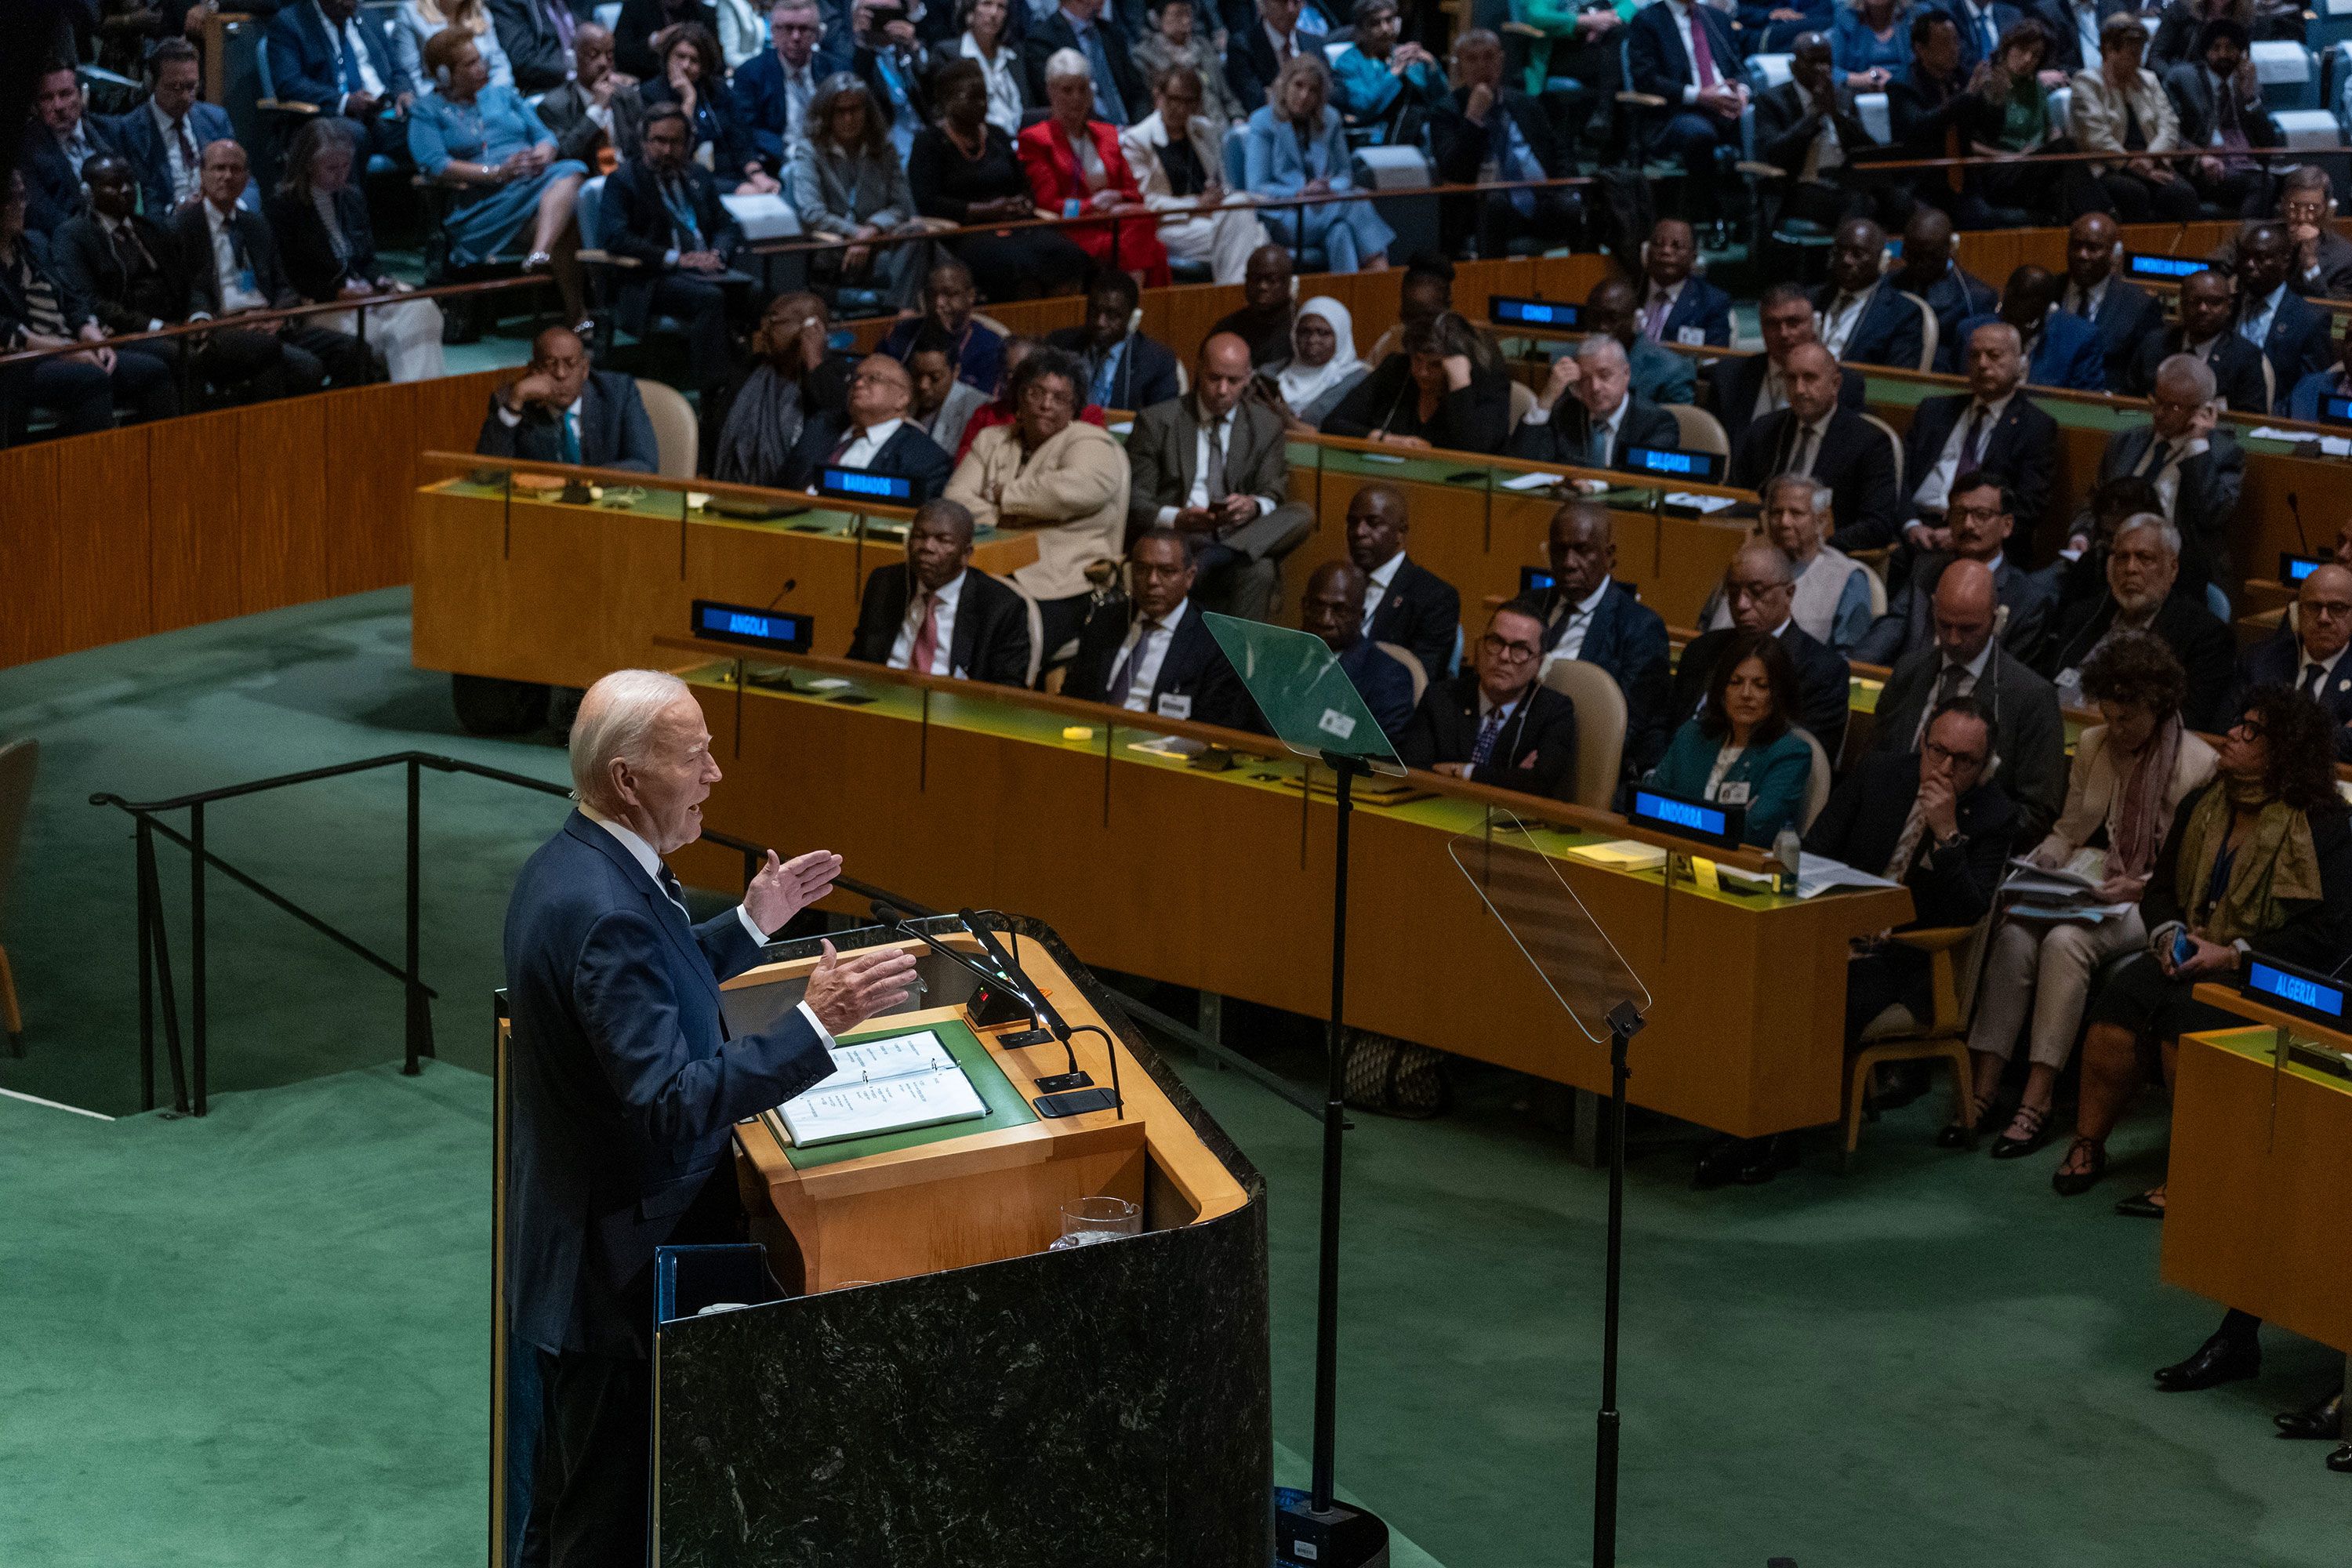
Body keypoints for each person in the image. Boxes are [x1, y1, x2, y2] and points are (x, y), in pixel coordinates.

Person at [503, 668, 916, 1568]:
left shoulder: (580, 861)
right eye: (695, 757)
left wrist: (754, 921)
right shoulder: (610, 905)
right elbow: (668, 1100)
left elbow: (649, 985)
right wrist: (817, 1022)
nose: (715, 775)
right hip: (615, 1273)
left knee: (560, 1511)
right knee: (599, 1530)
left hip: (577, 1243)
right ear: (627, 778)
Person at [2052, 683, 2352, 1203]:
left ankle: (2193, 1171)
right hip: (2188, 952)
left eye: (2252, 730)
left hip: (2263, 972)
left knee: (2187, 1024)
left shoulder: (2324, 826)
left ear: (2286, 748)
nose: (2233, 733)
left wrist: (2234, 953)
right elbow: (2161, 889)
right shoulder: (2206, 802)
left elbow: (2325, 937)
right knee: (2115, 1012)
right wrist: (2169, 933)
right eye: (2239, 721)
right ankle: (2087, 1144)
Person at [1964, 632, 2218, 1155]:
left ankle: (2037, 1096)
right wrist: (2050, 858)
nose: (2116, 726)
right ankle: (1984, 1085)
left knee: (2065, 942)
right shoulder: (2094, 744)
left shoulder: (2196, 764)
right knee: (2014, 931)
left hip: (2153, 898)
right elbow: (2070, 825)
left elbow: (2193, 873)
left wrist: (2141, 885)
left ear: (2159, 706)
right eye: (2110, 713)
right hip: (2098, 881)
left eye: (2129, 717)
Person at [1803, 698, 2017, 1149]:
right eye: (1937, 750)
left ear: (1984, 766)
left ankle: (1791, 1127)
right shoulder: (1880, 773)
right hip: (1835, 931)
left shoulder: (1994, 814)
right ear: (1923, 741)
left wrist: (1947, 834)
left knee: (1824, 992)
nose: (1945, 767)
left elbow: (1969, 912)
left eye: (1964, 761)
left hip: (1908, 959)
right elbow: (1816, 849)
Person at [946, 344, 1129, 658]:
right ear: (1019, 396)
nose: (1046, 405)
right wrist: (1031, 512)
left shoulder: (1091, 442)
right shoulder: (992, 438)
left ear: (1075, 408)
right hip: (989, 567)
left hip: (1064, 579)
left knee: (1005, 637)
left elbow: (1079, 488)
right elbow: (955, 502)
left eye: (1060, 398)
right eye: (1036, 393)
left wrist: (1004, 496)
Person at [1866, 557, 2069, 838]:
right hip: (1884, 835)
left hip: (1968, 847)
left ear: (1996, 619)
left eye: (1968, 628)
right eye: (1944, 624)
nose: (1954, 639)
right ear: (1934, 608)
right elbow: (1872, 765)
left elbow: (2036, 814)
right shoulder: (1909, 672)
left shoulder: (2032, 698)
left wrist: (1955, 825)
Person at [1123, 331, 1312, 619]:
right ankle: (1221, 558)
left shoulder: (1265, 426)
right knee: (1259, 569)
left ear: (1248, 377)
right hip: (1179, 536)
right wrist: (1178, 517)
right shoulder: (1157, 421)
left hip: (1238, 533)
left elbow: (1273, 491)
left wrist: (1253, 505)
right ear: (1198, 369)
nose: (1222, 390)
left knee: (1301, 514)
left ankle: (1219, 557)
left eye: (1233, 381)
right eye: (1214, 378)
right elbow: (1135, 501)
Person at [408, 29, 588, 321]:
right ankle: (577, 315)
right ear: (444, 75)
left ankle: (541, 255)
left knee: (573, 170)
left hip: (532, 186)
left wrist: (543, 154)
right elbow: (434, 163)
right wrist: (496, 173)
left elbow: (545, 136)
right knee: (567, 220)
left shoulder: (502, 95)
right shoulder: (426, 111)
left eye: (480, 60)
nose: (482, 68)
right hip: (482, 205)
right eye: (470, 64)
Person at [174, 141, 375, 394]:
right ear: (202, 175)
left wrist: (277, 316)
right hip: (221, 328)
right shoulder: (183, 227)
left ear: (247, 178)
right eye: (218, 169)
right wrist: (217, 322)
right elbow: (187, 289)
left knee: (354, 350)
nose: (227, 176)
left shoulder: (256, 225)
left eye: (235, 170)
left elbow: (283, 285)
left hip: (267, 321)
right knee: (305, 367)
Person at [267, 118, 447, 383]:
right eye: (331, 168)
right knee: (388, 333)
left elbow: (367, 259)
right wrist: (337, 293)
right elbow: (290, 275)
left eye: (346, 166)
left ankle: (419, 402)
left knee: (423, 310)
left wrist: (381, 280)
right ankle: (413, 402)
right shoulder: (284, 206)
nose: (341, 175)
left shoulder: (352, 197)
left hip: (364, 295)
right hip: (322, 304)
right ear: (308, 165)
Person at [0, 169, 176, 438]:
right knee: (90, 378)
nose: (24, 206)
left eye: (24, 197)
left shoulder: (33, 243)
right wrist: (66, 350)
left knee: (154, 369)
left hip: (71, 344)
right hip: (24, 361)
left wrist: (91, 335)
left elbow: (71, 298)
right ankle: (97, 474)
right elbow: (8, 330)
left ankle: (164, 464)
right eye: (17, 198)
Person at [909, 59, 1093, 303]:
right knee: (1017, 267)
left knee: (1069, 255)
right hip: (965, 232)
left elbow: (1023, 184)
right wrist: (984, 211)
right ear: (947, 101)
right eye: (972, 98)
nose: (982, 105)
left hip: (1014, 225)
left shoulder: (996, 135)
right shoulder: (929, 142)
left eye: (984, 97)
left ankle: (1063, 326)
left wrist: (1024, 203)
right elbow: (928, 202)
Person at [604, 105, 755, 397]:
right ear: (644, 142)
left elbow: (727, 225)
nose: (666, 150)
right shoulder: (624, 181)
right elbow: (615, 238)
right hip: (652, 277)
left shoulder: (698, 176)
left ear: (687, 144)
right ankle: (711, 394)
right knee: (709, 299)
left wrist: (718, 255)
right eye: (658, 141)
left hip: (705, 270)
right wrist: (676, 259)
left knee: (756, 293)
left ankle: (749, 387)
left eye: (675, 142)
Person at [2042, 514, 2234, 724]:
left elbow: (2186, 721)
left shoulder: (2205, 636)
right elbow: (2046, 684)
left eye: (2144, 558)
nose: (2130, 568)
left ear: (2172, 569)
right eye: (2122, 557)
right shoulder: (2083, 616)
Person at [1530, 500, 1672, 780]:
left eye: (1582, 550)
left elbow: (1624, 726)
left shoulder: (1639, 628)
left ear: (1608, 555)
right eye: (1560, 550)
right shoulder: (1528, 607)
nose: (1569, 563)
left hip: (1583, 765)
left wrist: (1549, 753)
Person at [1857, 470, 2058, 666]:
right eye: (1959, 513)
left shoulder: (2029, 601)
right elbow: (1883, 637)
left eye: (1981, 515)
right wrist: (1852, 669)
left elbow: (2008, 682)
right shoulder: (1926, 570)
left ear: (2007, 526)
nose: (1968, 524)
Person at [1675, 541, 1855, 761]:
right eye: (1733, 591)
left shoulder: (1823, 671)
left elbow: (1806, 758)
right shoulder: (1701, 650)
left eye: (1756, 592)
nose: (1741, 604)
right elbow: (1665, 724)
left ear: (1789, 593)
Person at [1063, 528, 1261, 726]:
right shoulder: (1105, 620)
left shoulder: (1218, 639)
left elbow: (1215, 723)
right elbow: (1072, 697)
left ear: (1190, 576)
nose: (1152, 581)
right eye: (1142, 570)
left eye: (1167, 572)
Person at [2088, 353, 2245, 593]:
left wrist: (2197, 446)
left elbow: (2211, 515)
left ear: (2203, 411)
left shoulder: (2224, 454)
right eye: (2157, 400)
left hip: (2179, 573)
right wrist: (2079, 535)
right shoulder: (2126, 442)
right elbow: (2095, 501)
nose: (2159, 413)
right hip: (2113, 558)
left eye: (2173, 407)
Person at [1896, 321, 2058, 551]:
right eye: (1974, 356)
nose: (1982, 364)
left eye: (1994, 355)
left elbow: (2029, 506)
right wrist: (1910, 524)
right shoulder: (1934, 411)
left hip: (1981, 540)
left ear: (2021, 364)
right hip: (1916, 529)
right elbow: (1899, 477)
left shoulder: (2035, 426)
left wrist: (1962, 532)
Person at [1648, 629, 1818, 845]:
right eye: (1735, 682)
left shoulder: (1790, 753)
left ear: (1778, 694)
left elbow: (1754, 831)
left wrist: (1682, 813)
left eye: (1760, 685)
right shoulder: (1692, 735)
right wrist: (1725, 819)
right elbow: (1651, 804)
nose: (1746, 694)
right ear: (1721, 689)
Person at [1022, 50, 1173, 288]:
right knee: (1152, 248)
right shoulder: (1037, 140)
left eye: (1083, 89)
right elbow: (1048, 204)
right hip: (1076, 229)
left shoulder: (1108, 134)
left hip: (1117, 224)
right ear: (1050, 92)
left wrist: (1115, 202)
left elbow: (1133, 192)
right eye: (1067, 90)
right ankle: (1136, 307)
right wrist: (1091, 206)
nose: (1077, 98)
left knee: (1148, 230)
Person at [1399, 601, 1579, 797]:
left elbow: (1538, 782)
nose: (1503, 656)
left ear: (1540, 663)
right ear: (1480, 646)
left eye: (1520, 649)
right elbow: (1414, 769)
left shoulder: (1554, 711)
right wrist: (1510, 777)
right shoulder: (1442, 697)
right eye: (1496, 641)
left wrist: (1462, 771)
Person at [1726, 342, 1900, 547]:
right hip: (1765, 550)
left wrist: (1815, 544)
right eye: (1791, 379)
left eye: (1810, 378)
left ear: (1835, 384)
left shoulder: (1869, 442)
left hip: (1830, 556)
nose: (1799, 389)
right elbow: (1736, 498)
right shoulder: (1765, 430)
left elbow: (1877, 526)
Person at [847, 497, 1033, 682]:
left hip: (956, 706)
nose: (927, 547)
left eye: (942, 540)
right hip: (882, 696)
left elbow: (1008, 689)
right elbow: (860, 657)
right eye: (919, 536)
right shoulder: (885, 582)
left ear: (966, 554)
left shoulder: (1001, 606)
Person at [1428, 28, 1577, 258]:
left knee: (1572, 206)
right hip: (1483, 207)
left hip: (1539, 198)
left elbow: (1559, 152)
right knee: (1494, 203)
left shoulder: (1526, 103)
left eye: (1489, 57)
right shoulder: (1446, 111)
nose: (1481, 66)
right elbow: (1455, 172)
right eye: (1472, 59)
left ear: (1501, 62)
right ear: (1459, 68)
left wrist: (1567, 190)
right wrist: (1474, 119)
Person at [790, 72, 930, 311]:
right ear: (826, 114)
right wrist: (857, 235)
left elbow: (902, 205)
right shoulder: (809, 152)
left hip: (880, 247)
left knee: (917, 235)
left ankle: (898, 317)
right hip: (835, 251)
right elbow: (812, 213)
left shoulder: (883, 148)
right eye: (840, 112)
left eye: (855, 109)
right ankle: (896, 315)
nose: (849, 119)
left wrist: (872, 230)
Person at [1245, 54, 1394, 274]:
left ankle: (1344, 298)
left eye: (1313, 90)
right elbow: (1257, 187)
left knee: (1340, 232)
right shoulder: (1263, 122)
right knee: (1355, 201)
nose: (1304, 96)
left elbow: (1345, 173)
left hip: (1327, 207)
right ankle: (1378, 265)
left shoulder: (1330, 119)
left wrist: (1328, 188)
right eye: (1298, 86)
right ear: (1285, 85)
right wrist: (1301, 192)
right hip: (1285, 215)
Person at [1120, 66, 1266, 286]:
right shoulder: (1137, 140)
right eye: (1174, 100)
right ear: (1158, 96)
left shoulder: (1203, 130)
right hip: (1170, 225)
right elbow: (1145, 202)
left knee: (1240, 205)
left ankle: (1231, 296)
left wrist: (1219, 194)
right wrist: (1196, 204)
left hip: (1211, 218)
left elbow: (1221, 181)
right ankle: (1238, 302)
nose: (1181, 109)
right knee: (1256, 240)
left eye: (1189, 102)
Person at [49, 155, 192, 369]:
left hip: (178, 323)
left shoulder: (151, 228)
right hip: (128, 333)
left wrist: (199, 316)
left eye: (129, 182)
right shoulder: (73, 236)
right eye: (114, 185)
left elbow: (187, 281)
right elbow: (89, 300)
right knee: (184, 355)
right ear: (88, 193)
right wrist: (155, 326)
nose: (126, 190)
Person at [1705, 475, 1874, 653]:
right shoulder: (1744, 564)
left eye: (1796, 513)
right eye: (1776, 513)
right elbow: (1705, 627)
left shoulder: (1848, 578)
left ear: (1821, 521)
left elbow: (1850, 659)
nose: (1784, 523)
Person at [707, 290, 851, 482]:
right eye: (765, 321)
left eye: (775, 322)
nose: (765, 330)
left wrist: (814, 362)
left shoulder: (836, 373)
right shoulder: (750, 370)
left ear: (810, 327)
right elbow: (715, 429)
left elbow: (836, 417)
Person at [2066, 12, 2198, 223]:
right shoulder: (2086, 82)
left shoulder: (2148, 79)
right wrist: (2133, 165)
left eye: (2141, 53)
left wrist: (2150, 159)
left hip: (2152, 162)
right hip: (2112, 166)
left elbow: (2169, 124)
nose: (2139, 61)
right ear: (2110, 50)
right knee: (2134, 194)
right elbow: (2096, 139)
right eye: (2133, 54)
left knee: (2183, 195)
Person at [1624, 0, 1748, 224]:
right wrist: (1699, 96)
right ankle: (1712, 217)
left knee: (1763, 122)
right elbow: (1646, 79)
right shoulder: (1648, 20)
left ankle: (1751, 216)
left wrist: (1741, 91)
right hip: (1676, 111)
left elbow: (1739, 68)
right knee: (1700, 134)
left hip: (1725, 104)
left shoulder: (1716, 18)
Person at [1754, 31, 1886, 235]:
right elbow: (1773, 154)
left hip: (1843, 180)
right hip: (1797, 186)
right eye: (1813, 61)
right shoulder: (1771, 101)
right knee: (1858, 204)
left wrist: (1836, 115)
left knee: (1897, 198)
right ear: (1793, 66)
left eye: (1826, 61)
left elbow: (1868, 150)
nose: (1822, 68)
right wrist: (1815, 114)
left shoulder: (1842, 96)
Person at [477, 325, 659, 470]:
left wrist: (580, 483)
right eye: (549, 364)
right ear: (534, 369)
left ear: (585, 369)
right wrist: (515, 404)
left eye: (570, 364)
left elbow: (644, 465)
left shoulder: (618, 393)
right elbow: (486, 475)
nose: (561, 374)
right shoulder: (511, 400)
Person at [1705, 281, 1865, 448]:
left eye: (1793, 322)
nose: (1783, 333)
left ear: (1814, 326)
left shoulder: (1846, 383)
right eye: (1772, 324)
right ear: (1761, 328)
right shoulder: (1729, 376)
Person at [1323, 311, 1512, 451]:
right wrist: (1386, 440)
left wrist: (1460, 384)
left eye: (1435, 365)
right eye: (1417, 360)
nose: (1422, 372)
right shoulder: (1397, 368)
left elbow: (1476, 451)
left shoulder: (1490, 386)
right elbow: (1333, 424)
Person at [265, 0, 419, 165]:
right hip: (331, 116)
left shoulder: (366, 16)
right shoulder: (291, 23)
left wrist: (404, 92)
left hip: (383, 111)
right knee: (353, 135)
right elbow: (288, 84)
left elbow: (397, 69)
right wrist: (345, 102)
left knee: (427, 124)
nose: (349, 5)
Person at [779, 353, 955, 495]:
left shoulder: (925, 457)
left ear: (902, 398)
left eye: (874, 379)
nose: (859, 383)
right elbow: (782, 485)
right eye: (856, 377)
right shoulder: (822, 426)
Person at [111, 40, 247, 221]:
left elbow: (243, 176)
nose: (185, 97)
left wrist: (241, 207)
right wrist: (178, 212)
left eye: (191, 87)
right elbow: (142, 202)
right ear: (152, 83)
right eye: (175, 88)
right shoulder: (130, 131)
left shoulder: (215, 119)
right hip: (169, 227)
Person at [2230, 562, 2352, 760]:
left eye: (2337, 608)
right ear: (2297, 614)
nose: (2324, 618)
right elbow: (2233, 726)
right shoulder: (2259, 661)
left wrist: (2268, 727)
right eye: (2313, 607)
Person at [1506, 335, 1679, 473]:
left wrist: (1596, 486)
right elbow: (1519, 463)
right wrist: (1546, 399)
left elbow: (1642, 478)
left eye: (1604, 375)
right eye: (1585, 379)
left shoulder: (1656, 423)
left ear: (1626, 373)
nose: (1595, 387)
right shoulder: (1563, 414)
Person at [2163, 16, 2278, 219]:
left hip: (2247, 164)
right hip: (2205, 168)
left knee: (2295, 182)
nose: (2223, 54)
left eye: (2230, 48)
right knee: (2262, 184)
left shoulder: (2248, 81)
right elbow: (2170, 132)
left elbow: (2268, 143)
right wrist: (2199, 157)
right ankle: (2244, 245)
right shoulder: (2182, 79)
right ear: (2205, 52)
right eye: (2216, 48)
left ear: (2242, 53)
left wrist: (2250, 97)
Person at [1347, 481, 1461, 680]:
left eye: (1373, 523)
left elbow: (1420, 678)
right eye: (1352, 522)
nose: (1359, 532)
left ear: (1401, 532)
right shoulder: (1340, 584)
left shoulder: (1435, 597)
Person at [635, 22, 765, 192]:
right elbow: (673, 153)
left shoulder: (719, 91)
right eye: (680, 57)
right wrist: (688, 101)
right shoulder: (650, 95)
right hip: (684, 180)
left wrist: (757, 175)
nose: (685, 66)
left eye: (694, 60)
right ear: (667, 57)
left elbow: (740, 139)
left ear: (705, 66)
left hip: (729, 175)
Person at [1958, 16, 2063, 220]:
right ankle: (2102, 214)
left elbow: (2048, 129)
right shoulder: (1988, 83)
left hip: (2032, 166)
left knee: (2065, 157)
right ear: (2008, 47)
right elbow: (1968, 143)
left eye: (2035, 55)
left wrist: (2046, 143)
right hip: (1999, 168)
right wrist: (2010, 157)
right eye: (2022, 50)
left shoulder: (2035, 87)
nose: (2027, 60)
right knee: (2065, 151)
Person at [1300, 559, 1418, 739]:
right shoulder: (1279, 656)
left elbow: (1385, 757)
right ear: (1304, 606)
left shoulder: (1387, 677)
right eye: (1317, 607)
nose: (1325, 621)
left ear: (1360, 616)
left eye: (1339, 611)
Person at [2121, 267, 2267, 412]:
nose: (2203, 309)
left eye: (2214, 302)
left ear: (2228, 308)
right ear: (2182, 304)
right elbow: (2128, 401)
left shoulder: (2245, 356)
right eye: (2194, 301)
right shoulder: (2154, 344)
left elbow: (2251, 419)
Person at [732, 0, 851, 172]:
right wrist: (794, 153)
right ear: (773, 32)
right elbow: (747, 128)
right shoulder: (751, 73)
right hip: (778, 162)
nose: (796, 37)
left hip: (832, 159)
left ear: (817, 34)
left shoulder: (836, 70)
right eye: (788, 28)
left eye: (804, 29)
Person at [953, 330, 1109, 459]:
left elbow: (1091, 464)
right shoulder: (986, 415)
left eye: (1022, 372)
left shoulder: (1088, 416)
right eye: (1007, 373)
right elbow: (964, 465)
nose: (1012, 380)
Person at [1952, 263, 2107, 393]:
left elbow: (2087, 405)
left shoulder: (2079, 339)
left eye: (2025, 320)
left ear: (2046, 308)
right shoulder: (1970, 331)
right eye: (2008, 315)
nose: (2017, 327)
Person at [2230, 220, 2334, 408]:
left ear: (2285, 260)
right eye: (2245, 257)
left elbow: (2308, 393)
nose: (2250, 265)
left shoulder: (2310, 319)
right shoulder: (2228, 308)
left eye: (2261, 258)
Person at [2060, 210, 2166, 390]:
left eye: (2093, 248)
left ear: (2114, 254)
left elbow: (2145, 379)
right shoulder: (2048, 290)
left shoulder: (2140, 305)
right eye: (2076, 246)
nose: (2082, 255)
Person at [1046, 270, 1180, 410]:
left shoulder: (1157, 361)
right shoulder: (1060, 345)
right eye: (1094, 310)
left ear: (1132, 318)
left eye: (1111, 315)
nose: (1100, 322)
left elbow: (1163, 420)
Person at [1887, 207, 1995, 375]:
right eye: (1911, 254)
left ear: (1950, 249)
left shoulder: (1975, 297)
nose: (1918, 264)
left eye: (1928, 256)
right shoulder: (1886, 284)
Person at [1811, 216, 1928, 372]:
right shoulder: (1811, 298)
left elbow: (1898, 383)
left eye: (1857, 254)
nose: (1846, 260)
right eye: (1840, 251)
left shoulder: (1902, 314)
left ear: (1882, 261)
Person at [22, 63, 121, 238]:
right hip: (74, 243)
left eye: (66, 94)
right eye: (47, 98)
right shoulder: (27, 151)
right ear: (36, 106)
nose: (58, 106)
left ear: (82, 95)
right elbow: (44, 216)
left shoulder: (109, 130)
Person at [532, 24, 648, 169]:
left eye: (609, 55)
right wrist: (596, 110)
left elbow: (644, 145)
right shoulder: (553, 106)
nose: (603, 63)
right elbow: (564, 156)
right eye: (593, 55)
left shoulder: (627, 95)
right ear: (574, 58)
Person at [877, 258, 1003, 392]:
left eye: (949, 294)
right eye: (932, 294)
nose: (938, 303)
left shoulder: (991, 346)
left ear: (971, 296)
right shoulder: (900, 335)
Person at [1024, 0, 1147, 123]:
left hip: (1131, 132)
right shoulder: (1042, 41)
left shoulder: (1110, 33)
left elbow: (1138, 92)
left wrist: (1140, 127)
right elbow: (1058, 101)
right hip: (1083, 133)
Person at [1331, 0, 1445, 129]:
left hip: (1417, 133)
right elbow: (1363, 107)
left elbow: (1442, 103)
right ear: (1361, 29)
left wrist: (1432, 66)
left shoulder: (1407, 56)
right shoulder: (1349, 61)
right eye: (1375, 23)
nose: (1385, 29)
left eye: (1389, 20)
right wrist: (1394, 73)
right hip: (1374, 137)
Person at [1260, 295, 1367, 431]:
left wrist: (1287, 420)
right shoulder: (1270, 372)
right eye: (1305, 331)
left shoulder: (1356, 380)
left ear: (1340, 335)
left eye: (1323, 333)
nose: (1312, 340)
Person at [1134, 0, 1244, 128]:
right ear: (1157, 19)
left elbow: (1226, 96)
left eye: (1188, 14)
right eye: (1177, 15)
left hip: (1219, 123)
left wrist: (1237, 117)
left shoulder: (1203, 47)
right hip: (1179, 128)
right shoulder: (1145, 57)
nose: (1186, 21)